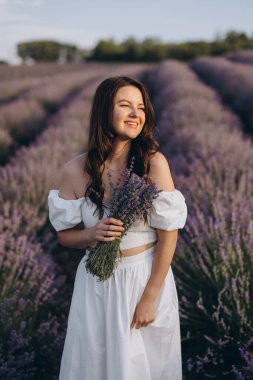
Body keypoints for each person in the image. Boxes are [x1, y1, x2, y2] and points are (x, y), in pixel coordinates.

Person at [48, 76, 188, 380]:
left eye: (140, 107)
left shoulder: (153, 164)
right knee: (94, 365)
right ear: (103, 112)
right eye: (125, 105)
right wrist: (91, 234)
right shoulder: (74, 170)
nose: (135, 114)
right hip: (96, 282)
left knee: (142, 367)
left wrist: (150, 297)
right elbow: (64, 236)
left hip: (143, 278)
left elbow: (168, 237)